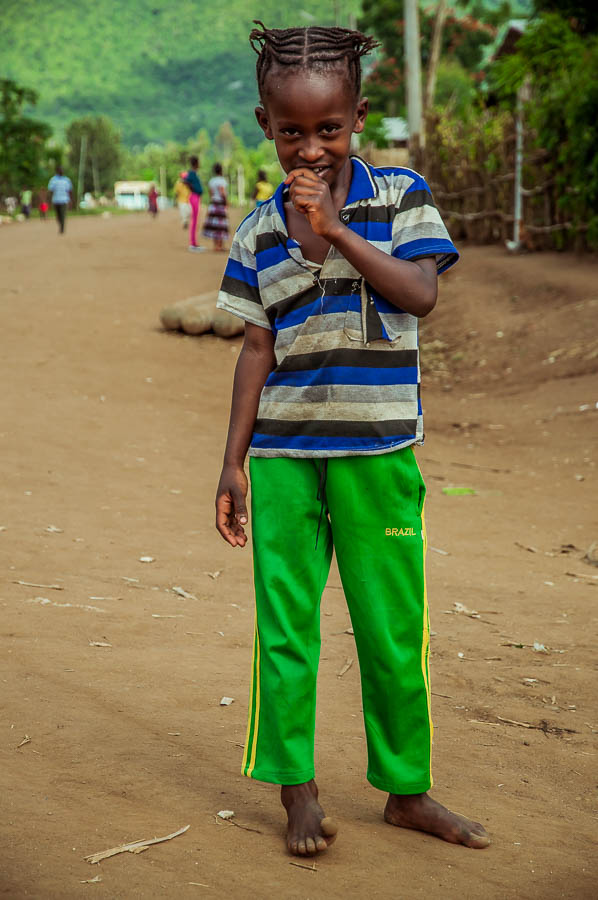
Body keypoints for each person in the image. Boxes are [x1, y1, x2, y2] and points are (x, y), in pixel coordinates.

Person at [214, 22, 491, 859]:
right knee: (286, 626)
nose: (311, 149)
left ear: (358, 117)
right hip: (287, 460)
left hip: (379, 456)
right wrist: (232, 460)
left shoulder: (400, 197)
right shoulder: (256, 234)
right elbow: (256, 348)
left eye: (328, 129)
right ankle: (298, 790)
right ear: (266, 124)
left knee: (391, 625)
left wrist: (336, 230)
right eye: (291, 130)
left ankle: (408, 791)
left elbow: (419, 295)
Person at [202, 163, 229, 251]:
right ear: (221, 170)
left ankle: (215, 245)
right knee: (221, 225)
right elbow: (222, 191)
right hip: (220, 204)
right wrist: (226, 201)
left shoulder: (212, 181)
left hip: (213, 203)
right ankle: (220, 245)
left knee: (214, 224)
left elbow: (211, 193)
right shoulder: (222, 180)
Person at [184, 155, 204, 252]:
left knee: (196, 221)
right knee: (194, 221)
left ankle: (194, 242)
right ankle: (192, 243)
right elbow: (185, 181)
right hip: (194, 196)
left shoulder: (194, 173)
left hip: (196, 196)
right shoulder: (191, 173)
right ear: (196, 163)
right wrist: (193, 188)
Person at [48, 165, 73, 234]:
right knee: (58, 215)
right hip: (56, 200)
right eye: (60, 170)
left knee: (63, 214)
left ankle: (62, 228)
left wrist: (71, 200)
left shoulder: (67, 180)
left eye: (62, 170)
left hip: (64, 200)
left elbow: (70, 191)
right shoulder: (53, 180)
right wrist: (49, 201)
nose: (62, 171)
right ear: (57, 171)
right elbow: (51, 191)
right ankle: (60, 225)